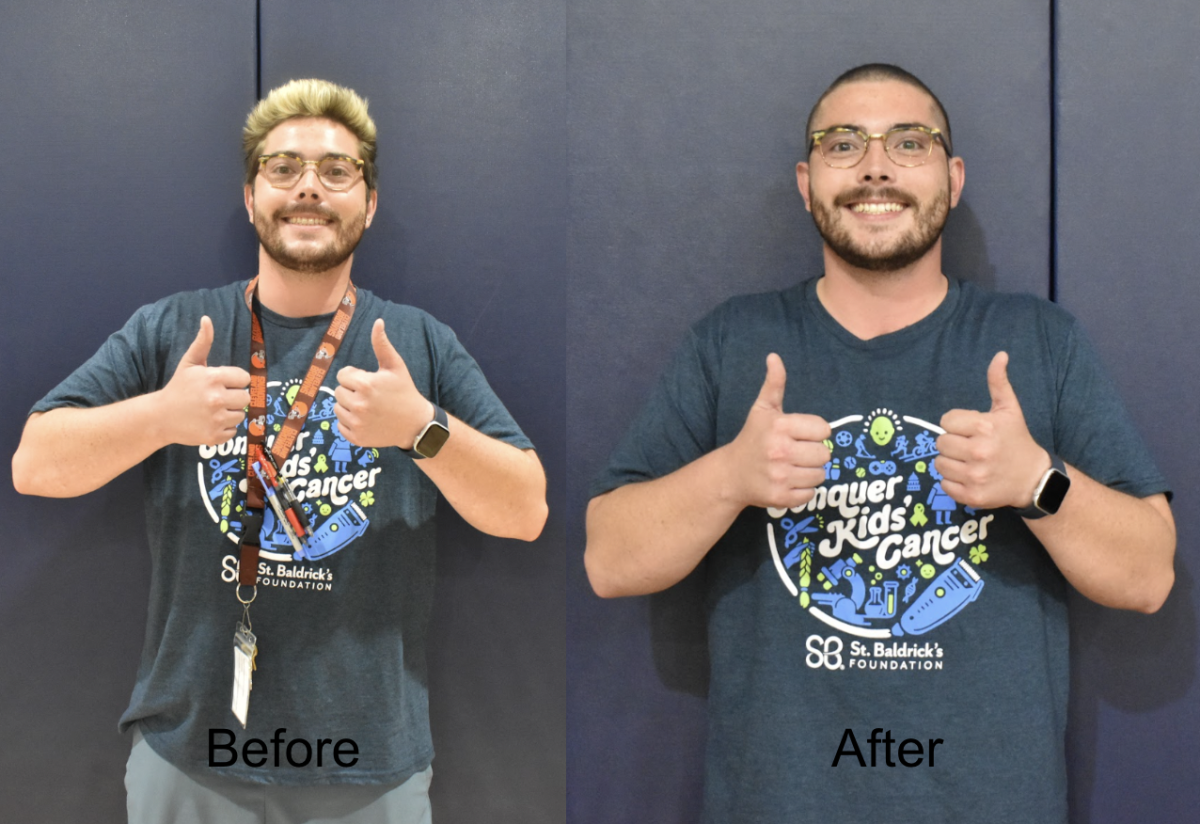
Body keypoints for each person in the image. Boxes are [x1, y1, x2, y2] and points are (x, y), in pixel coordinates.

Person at [584, 64, 1174, 823]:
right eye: (842, 145)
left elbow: (1150, 575)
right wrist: (729, 476)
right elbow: (608, 558)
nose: (874, 165)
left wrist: (1038, 482)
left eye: (908, 142)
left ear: (952, 178)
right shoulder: (732, 342)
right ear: (806, 181)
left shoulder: (1039, 342)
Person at [12, 78, 547, 823]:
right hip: (193, 759)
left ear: (370, 201)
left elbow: (526, 510)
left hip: (367, 772)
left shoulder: (420, 345)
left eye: (337, 171)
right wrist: (161, 418)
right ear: (251, 193)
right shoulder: (175, 328)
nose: (309, 190)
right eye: (284, 167)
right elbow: (34, 463)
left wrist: (422, 429)